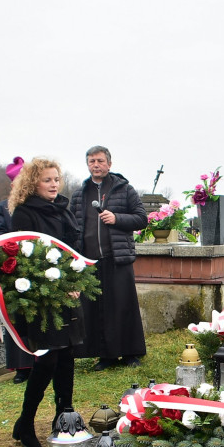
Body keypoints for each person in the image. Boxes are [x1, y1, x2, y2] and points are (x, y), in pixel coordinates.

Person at [9, 158, 85, 447]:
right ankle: (25, 422)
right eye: (47, 180)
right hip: (42, 297)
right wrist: (60, 286)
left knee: (66, 357)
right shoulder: (25, 214)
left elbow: (73, 250)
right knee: (47, 359)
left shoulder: (63, 209)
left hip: (69, 294)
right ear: (32, 183)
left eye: (56, 179)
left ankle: (63, 418)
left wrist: (75, 281)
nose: (54, 185)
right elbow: (27, 258)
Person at [69, 146, 147, 370]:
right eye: (92, 161)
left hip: (118, 257)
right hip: (90, 260)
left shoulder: (124, 189)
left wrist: (117, 218)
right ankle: (106, 356)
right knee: (98, 309)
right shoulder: (80, 194)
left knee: (123, 305)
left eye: (100, 161)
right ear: (87, 165)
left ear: (109, 164)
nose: (96, 165)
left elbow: (142, 218)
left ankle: (131, 353)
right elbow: (74, 227)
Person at [0, 156, 33, 385]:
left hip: (39, 267)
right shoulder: (2, 208)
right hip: (13, 266)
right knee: (16, 317)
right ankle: (21, 366)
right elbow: (1, 234)